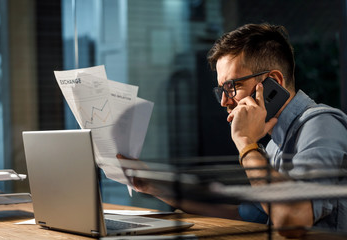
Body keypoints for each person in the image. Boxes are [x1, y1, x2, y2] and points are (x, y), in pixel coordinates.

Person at [118, 23, 347, 238]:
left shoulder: (321, 126)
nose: (224, 102)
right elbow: (240, 215)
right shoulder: (275, 143)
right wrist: (151, 185)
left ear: (273, 83)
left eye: (232, 87)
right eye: (221, 90)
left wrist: (246, 143)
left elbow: (292, 219)